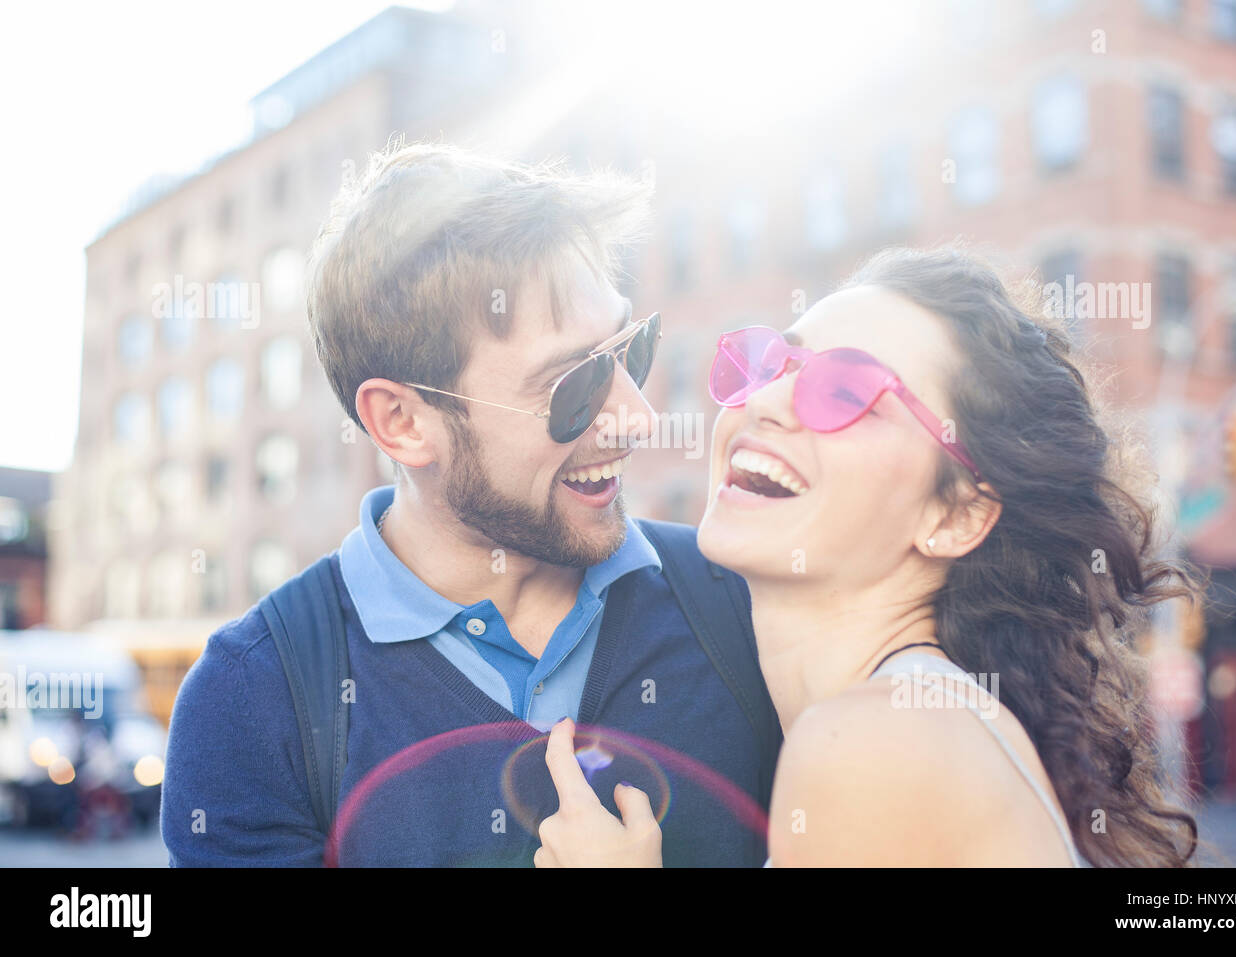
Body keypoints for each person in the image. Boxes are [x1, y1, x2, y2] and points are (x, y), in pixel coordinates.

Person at [161, 143, 780, 866]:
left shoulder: (742, 600)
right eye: (574, 385)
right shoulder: (256, 697)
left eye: (630, 350)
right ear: (403, 421)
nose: (636, 415)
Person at [534, 245, 1202, 867]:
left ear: (956, 513)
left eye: (847, 391)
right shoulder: (914, 718)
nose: (763, 400)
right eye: (771, 364)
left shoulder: (874, 743)